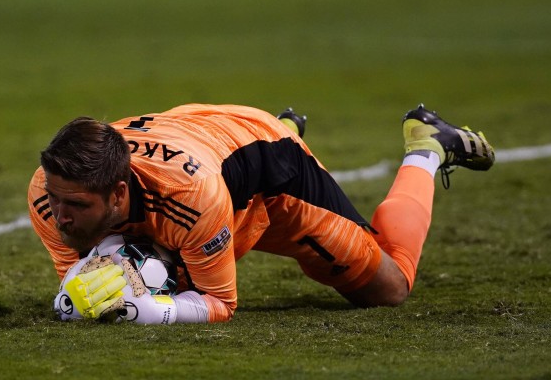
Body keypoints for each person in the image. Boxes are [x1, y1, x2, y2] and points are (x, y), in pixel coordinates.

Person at [27, 104, 494, 324]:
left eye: (77, 206)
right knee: (162, 261)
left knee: (390, 288)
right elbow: (84, 279)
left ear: (118, 193)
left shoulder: (190, 195)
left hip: (268, 173)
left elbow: (221, 304)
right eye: (57, 199)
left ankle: (428, 147)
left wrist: (148, 310)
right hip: (206, 141)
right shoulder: (48, 194)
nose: (61, 216)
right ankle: (273, 125)